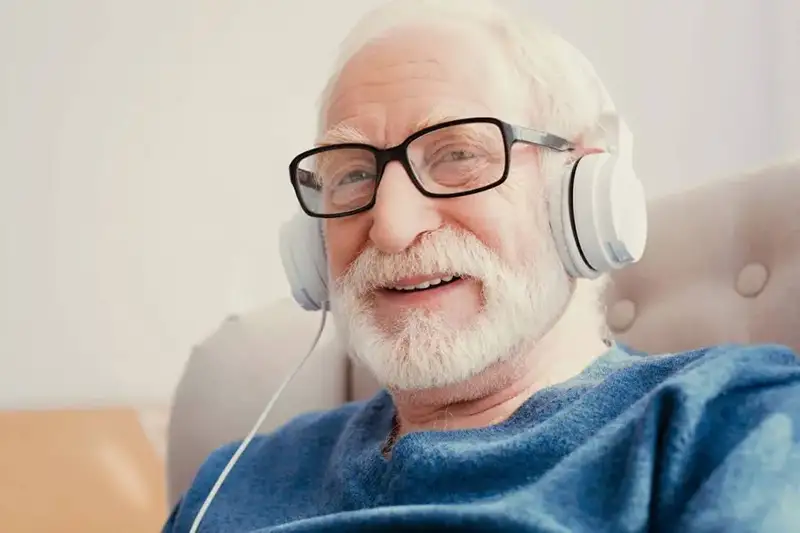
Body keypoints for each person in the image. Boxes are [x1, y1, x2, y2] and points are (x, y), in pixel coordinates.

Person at [163, 1, 800, 531]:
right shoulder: (234, 480)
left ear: (581, 195)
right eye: (353, 173)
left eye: (457, 154)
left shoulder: (728, 416)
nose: (390, 225)